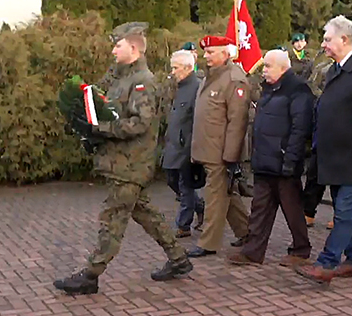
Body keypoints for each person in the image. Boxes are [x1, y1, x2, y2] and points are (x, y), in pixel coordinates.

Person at [54, 23, 193, 294]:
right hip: (121, 163)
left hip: (130, 165)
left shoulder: (143, 82)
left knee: (112, 219)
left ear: (133, 48)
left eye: (118, 46)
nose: (113, 50)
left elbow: (140, 123)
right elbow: (103, 105)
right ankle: (179, 259)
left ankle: (91, 275)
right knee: (146, 214)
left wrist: (100, 129)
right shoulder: (120, 78)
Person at [295, 15, 352, 284]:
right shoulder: (335, 69)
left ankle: (327, 263)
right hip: (335, 158)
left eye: (327, 39)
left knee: (345, 214)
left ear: (344, 39)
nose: (323, 44)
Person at [228, 50, 314, 267]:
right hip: (265, 161)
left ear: (282, 67)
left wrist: (290, 159)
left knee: (292, 209)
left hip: (284, 161)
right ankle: (253, 252)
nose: (263, 71)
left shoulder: (298, 90)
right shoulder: (268, 90)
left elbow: (300, 128)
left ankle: (301, 250)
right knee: (259, 209)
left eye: (267, 66)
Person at [186, 35, 250, 258]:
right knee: (227, 193)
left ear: (225, 53)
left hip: (221, 151)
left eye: (211, 52)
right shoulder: (211, 77)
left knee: (215, 196)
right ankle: (247, 232)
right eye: (206, 52)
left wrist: (231, 156)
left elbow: (238, 121)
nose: (206, 56)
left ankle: (209, 243)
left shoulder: (234, 79)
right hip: (208, 148)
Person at [162, 50, 204, 237]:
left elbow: (198, 119)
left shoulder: (196, 87)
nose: (172, 72)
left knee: (185, 185)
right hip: (173, 144)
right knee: (172, 179)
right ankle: (200, 206)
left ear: (188, 68)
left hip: (186, 146)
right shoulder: (177, 87)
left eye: (175, 68)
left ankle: (183, 225)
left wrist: (192, 146)